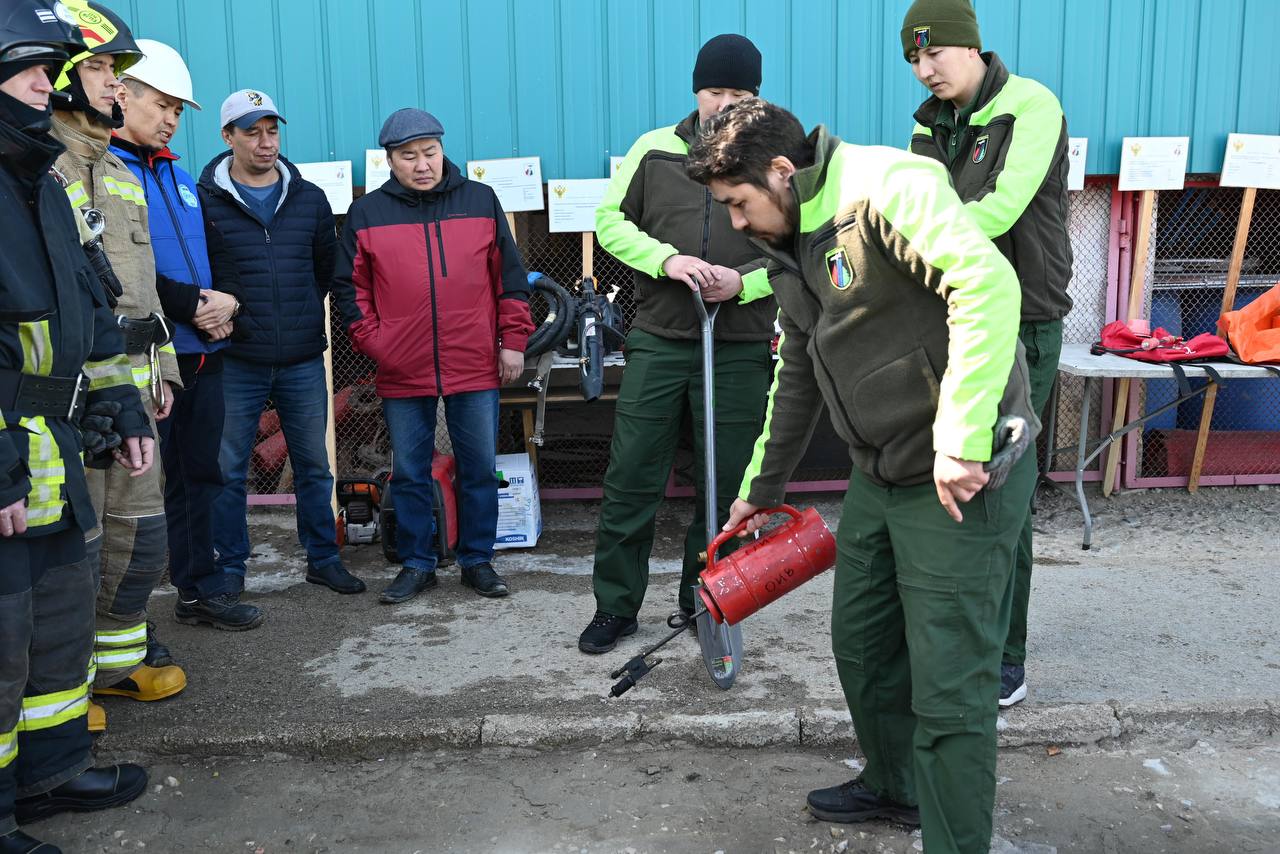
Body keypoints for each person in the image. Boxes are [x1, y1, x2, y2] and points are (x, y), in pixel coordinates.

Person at [687, 98, 1039, 854]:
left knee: (949, 685)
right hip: (879, 475)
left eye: (739, 204)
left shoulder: (887, 186)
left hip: (959, 477)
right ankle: (897, 787)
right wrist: (763, 486)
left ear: (783, 172)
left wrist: (961, 437)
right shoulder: (789, 242)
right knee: (865, 644)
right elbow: (801, 373)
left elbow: (987, 287)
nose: (739, 225)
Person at [0, 3, 154, 848]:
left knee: (57, 628)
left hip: (54, 446)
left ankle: (51, 777)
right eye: (26, 68)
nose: (44, 82)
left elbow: (88, 310)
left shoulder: (41, 183)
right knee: (2, 640)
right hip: (8, 459)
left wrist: (120, 398)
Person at [578, 34, 777, 655]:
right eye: (716, 91)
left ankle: (707, 600)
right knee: (633, 474)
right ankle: (615, 606)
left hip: (740, 343)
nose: (725, 104)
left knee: (724, 485)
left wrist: (741, 284)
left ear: (756, 97)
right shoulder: (655, 150)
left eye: (739, 94)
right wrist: (666, 261)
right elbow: (610, 222)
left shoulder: (777, 157)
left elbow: (800, 246)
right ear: (696, 90)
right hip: (661, 340)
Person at [901, 0, 1073, 708]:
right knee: (960, 478)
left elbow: (998, 207)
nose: (924, 68)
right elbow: (916, 204)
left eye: (934, 52)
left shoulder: (1030, 106)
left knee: (1003, 486)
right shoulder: (928, 123)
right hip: (957, 317)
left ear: (970, 45)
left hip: (1025, 319)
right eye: (913, 58)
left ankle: (1007, 656)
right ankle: (963, 634)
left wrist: (913, 246)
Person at [331, 108, 533, 604]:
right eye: (408, 156)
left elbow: (509, 279)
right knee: (410, 470)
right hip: (402, 366)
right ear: (390, 161)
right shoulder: (367, 213)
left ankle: (477, 560)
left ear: (442, 150)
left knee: (480, 466)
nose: (422, 164)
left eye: (430, 152)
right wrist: (378, 345)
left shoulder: (481, 201)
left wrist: (513, 343)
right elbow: (349, 289)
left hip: (474, 361)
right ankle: (418, 562)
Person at [49, 0, 186, 713]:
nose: (114, 85)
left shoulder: (122, 171)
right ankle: (64, 691)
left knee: (138, 537)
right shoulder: (41, 168)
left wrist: (160, 366)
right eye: (100, 68)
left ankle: (119, 662)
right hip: (74, 402)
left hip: (132, 396)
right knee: (77, 549)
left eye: (114, 70)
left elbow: (142, 285)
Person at [113, 41, 263, 632]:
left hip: (206, 354)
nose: (171, 118)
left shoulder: (177, 173)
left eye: (178, 109)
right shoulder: (107, 171)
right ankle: (123, 614)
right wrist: (192, 305)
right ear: (123, 95)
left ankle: (200, 589)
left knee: (205, 475)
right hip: (151, 358)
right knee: (141, 489)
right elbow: (124, 269)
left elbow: (214, 251)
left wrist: (226, 300)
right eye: (163, 104)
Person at [197, 88, 363, 603]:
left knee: (314, 464)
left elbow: (325, 272)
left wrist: (295, 318)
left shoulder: (309, 198)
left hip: (300, 359)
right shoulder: (203, 200)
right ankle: (230, 567)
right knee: (227, 469)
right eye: (252, 132)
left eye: (272, 131)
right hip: (235, 360)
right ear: (228, 137)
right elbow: (197, 273)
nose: (265, 142)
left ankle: (323, 558)